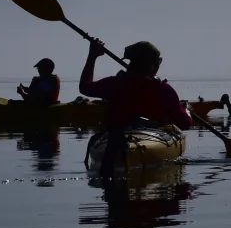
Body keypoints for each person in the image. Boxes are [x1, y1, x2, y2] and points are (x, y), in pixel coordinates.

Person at [78, 39, 193, 173]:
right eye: (158, 62)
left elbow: (84, 87)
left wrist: (92, 56)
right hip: (150, 135)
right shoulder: (163, 90)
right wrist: (186, 109)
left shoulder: (114, 84)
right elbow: (185, 123)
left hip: (115, 136)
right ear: (152, 65)